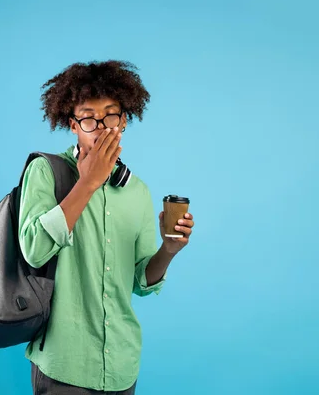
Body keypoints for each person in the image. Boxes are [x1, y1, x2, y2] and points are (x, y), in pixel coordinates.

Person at [18, 60, 195, 394]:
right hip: (63, 364)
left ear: (124, 121)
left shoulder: (137, 191)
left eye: (110, 115)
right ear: (73, 124)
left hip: (121, 366)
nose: (100, 127)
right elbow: (34, 250)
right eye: (88, 117)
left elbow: (141, 282)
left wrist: (169, 251)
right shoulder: (45, 171)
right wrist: (87, 183)